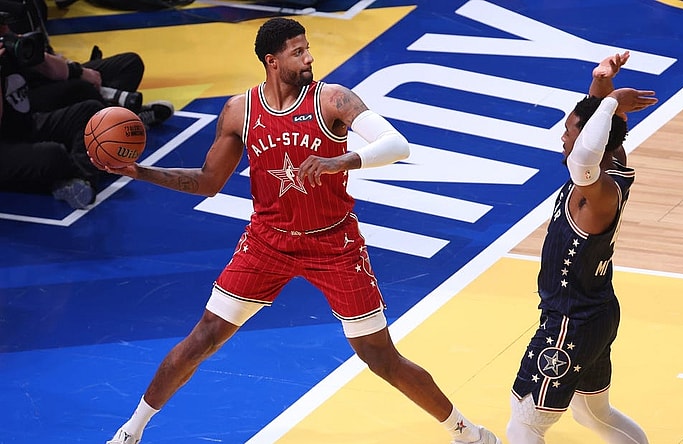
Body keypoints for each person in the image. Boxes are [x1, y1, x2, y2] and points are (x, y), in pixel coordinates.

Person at [102, 17, 502, 444]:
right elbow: (207, 182)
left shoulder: (332, 100)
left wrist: (338, 162)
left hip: (333, 243)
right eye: (298, 52)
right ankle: (131, 432)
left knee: (379, 356)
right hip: (267, 241)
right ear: (272, 62)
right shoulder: (241, 110)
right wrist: (139, 171)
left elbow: (397, 145)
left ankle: (467, 433)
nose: (309, 57)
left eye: (307, 48)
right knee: (204, 337)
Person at [505, 52, 657, 444]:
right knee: (594, 414)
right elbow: (595, 131)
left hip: (569, 322)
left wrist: (610, 103)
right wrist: (601, 83)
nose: (563, 137)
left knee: (524, 423)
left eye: (568, 132)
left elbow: (586, 147)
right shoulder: (615, 164)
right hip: (596, 314)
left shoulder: (595, 192)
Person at [3, 0, 174, 127]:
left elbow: (46, 53)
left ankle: (115, 117)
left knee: (129, 64)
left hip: (53, 70)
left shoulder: (30, 6)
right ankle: (119, 119)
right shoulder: (8, 12)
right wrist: (76, 73)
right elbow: (37, 65)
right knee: (81, 89)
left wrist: (74, 67)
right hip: (24, 93)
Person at [0, 22, 105, 209]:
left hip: (26, 124)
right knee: (52, 154)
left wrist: (22, 45)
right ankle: (69, 175)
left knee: (91, 111)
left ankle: (80, 179)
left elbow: (57, 71)